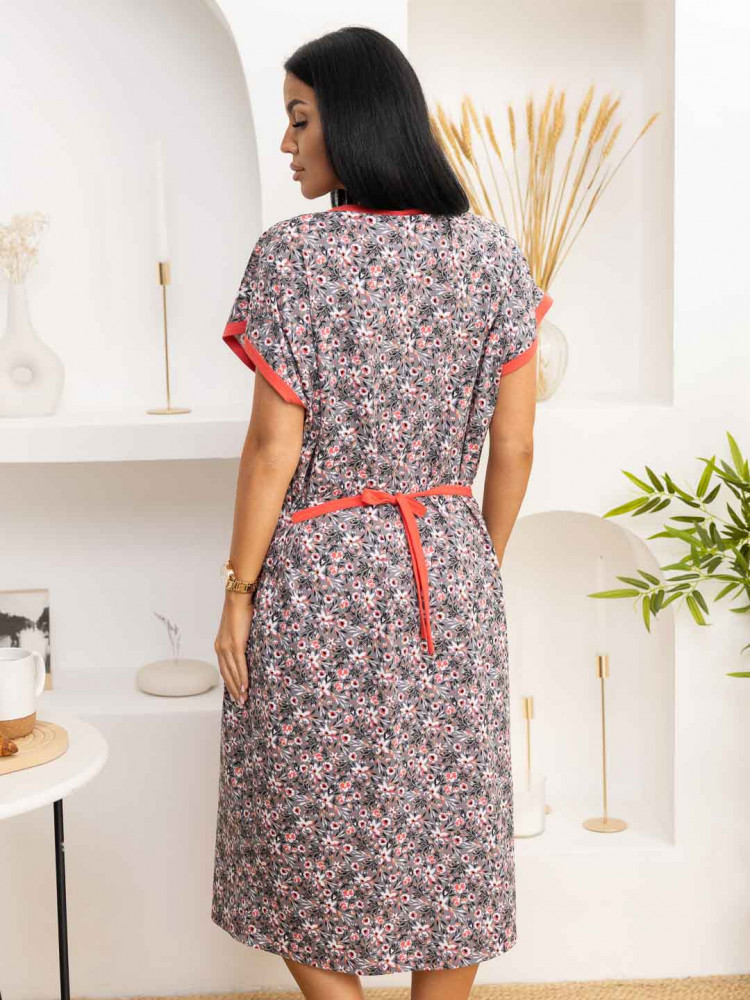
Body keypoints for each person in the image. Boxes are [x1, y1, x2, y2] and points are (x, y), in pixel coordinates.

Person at [211, 25, 552, 1000]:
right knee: (452, 826)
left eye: (299, 118)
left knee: (301, 823)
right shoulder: (493, 255)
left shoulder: (294, 258)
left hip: (318, 575)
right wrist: (473, 561)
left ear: (355, 120)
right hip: (450, 568)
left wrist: (238, 591)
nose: (287, 144)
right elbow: (516, 448)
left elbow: (273, 449)